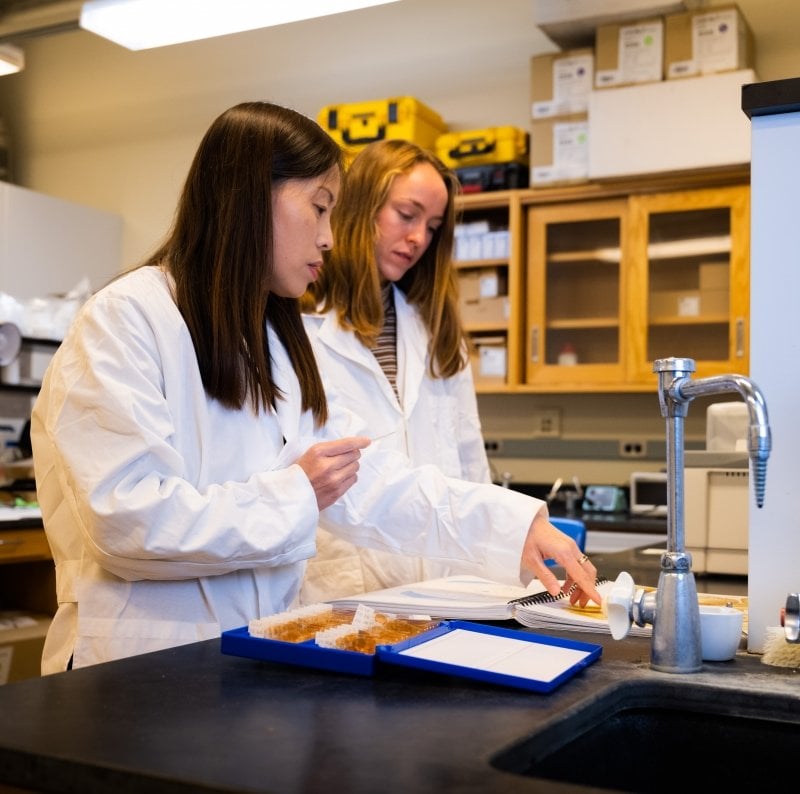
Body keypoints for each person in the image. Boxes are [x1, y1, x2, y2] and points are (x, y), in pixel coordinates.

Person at [31, 102, 600, 674]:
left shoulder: (270, 343)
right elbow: (125, 521)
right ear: (253, 197)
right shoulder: (127, 319)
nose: (330, 237)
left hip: (252, 656)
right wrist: (296, 493)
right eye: (321, 207)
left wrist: (511, 525)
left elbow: (364, 481)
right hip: (138, 667)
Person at [299, 139, 502, 603]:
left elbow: (470, 462)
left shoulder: (433, 326)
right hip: (340, 579)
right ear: (360, 205)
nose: (418, 239)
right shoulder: (301, 323)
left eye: (432, 227)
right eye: (406, 215)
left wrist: (496, 574)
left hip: (440, 580)